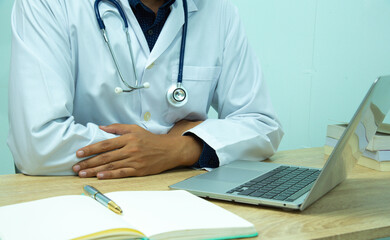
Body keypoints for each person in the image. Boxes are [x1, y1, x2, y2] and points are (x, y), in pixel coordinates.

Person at [8, 0, 284, 179]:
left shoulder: (219, 10)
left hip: (178, 196)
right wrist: (154, 146)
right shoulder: (48, 4)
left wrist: (179, 148)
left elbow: (263, 125)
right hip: (75, 197)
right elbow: (37, 145)